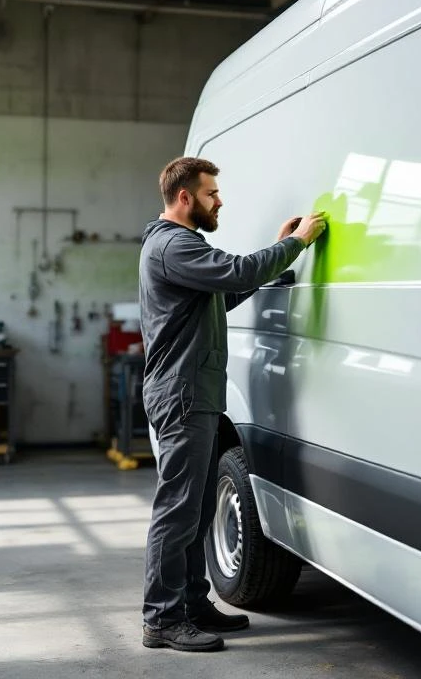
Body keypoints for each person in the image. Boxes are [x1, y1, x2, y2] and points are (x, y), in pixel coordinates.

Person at [138, 156, 326, 653]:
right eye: (211, 194)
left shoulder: (181, 248)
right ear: (185, 198)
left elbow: (226, 290)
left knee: (197, 511)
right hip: (181, 395)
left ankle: (193, 604)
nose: (219, 201)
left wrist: (281, 253)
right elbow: (237, 270)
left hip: (192, 393)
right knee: (177, 512)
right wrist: (294, 243)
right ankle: (161, 619)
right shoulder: (172, 245)